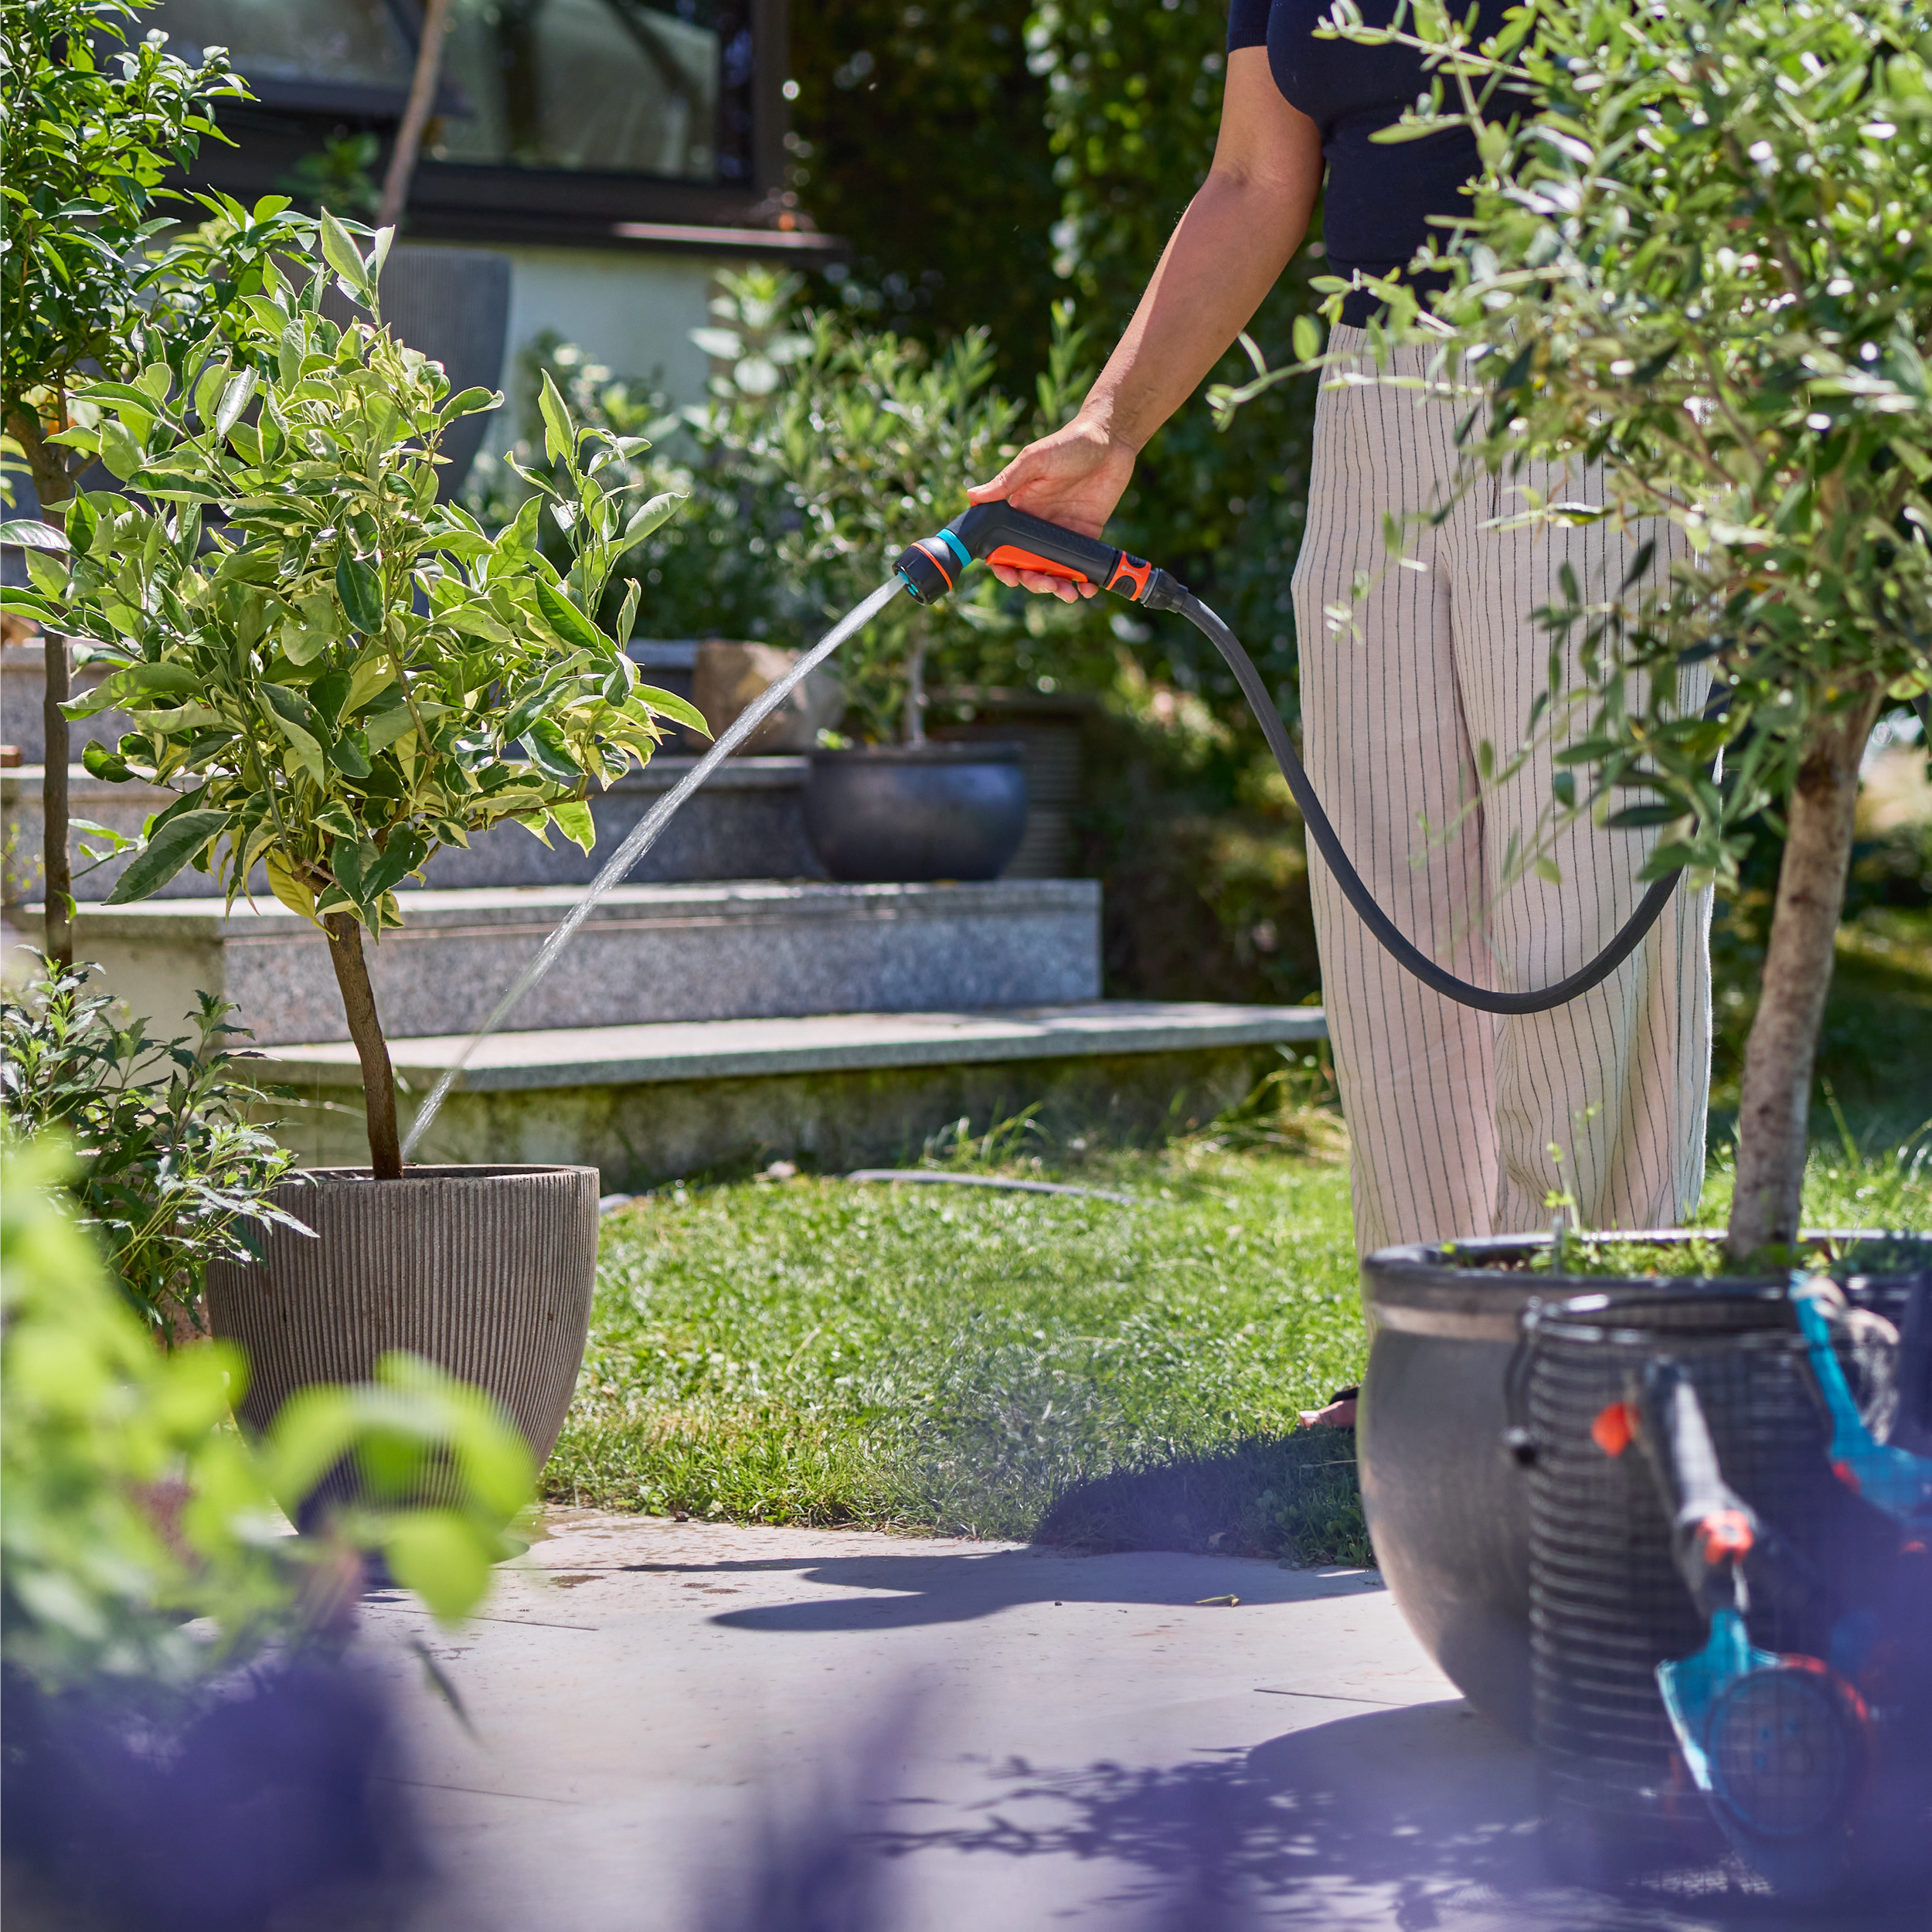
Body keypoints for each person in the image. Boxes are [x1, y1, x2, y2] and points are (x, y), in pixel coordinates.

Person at [970, 0, 1712, 1285]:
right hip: (1377, 393)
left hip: (1605, 375)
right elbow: (1257, 176)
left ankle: (1581, 1310)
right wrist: (1110, 427)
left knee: (1584, 872)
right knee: (1386, 885)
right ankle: (1426, 1322)